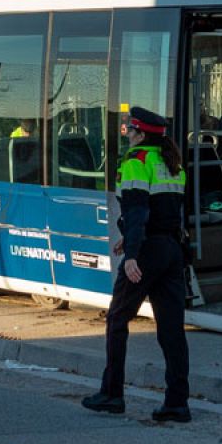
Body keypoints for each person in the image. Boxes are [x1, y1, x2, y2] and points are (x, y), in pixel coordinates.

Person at [82, 106, 191, 423]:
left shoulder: (136, 163)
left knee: (117, 319)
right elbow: (163, 213)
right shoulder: (172, 164)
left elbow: (139, 211)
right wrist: (129, 239)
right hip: (171, 249)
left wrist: (131, 253)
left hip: (146, 252)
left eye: (130, 130)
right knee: (171, 330)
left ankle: (112, 394)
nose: (127, 134)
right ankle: (177, 403)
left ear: (140, 134)